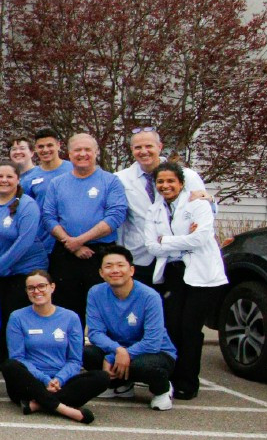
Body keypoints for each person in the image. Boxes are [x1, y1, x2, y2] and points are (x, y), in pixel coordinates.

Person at [149, 162, 227, 399]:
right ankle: (170, 378)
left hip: (202, 276)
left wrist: (168, 241)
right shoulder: (155, 211)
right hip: (173, 273)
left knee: (190, 329)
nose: (165, 186)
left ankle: (188, 382)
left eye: (171, 181)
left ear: (181, 183)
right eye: (161, 182)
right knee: (171, 326)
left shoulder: (198, 204)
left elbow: (201, 239)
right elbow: (151, 245)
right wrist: (182, 239)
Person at [42, 134, 129, 322]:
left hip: (99, 253)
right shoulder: (57, 183)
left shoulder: (110, 181)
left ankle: (101, 350)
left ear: (96, 152)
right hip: (65, 253)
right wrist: (70, 243)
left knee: (103, 311)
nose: (83, 154)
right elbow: (48, 217)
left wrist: (79, 241)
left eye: (87, 149)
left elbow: (115, 217)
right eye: (77, 150)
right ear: (69, 154)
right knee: (67, 312)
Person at [3, 270, 106, 423]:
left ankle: (37, 405)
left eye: (41, 286)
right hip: (30, 381)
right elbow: (18, 357)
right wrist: (45, 380)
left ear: (52, 287)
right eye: (31, 288)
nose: (36, 291)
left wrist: (59, 379)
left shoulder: (70, 317)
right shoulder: (17, 317)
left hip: (61, 383)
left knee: (102, 377)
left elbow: (75, 360)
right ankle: (65, 409)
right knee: (10, 366)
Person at [84, 248, 179, 409]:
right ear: (101, 272)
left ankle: (163, 390)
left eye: (120, 265)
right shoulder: (95, 293)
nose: (114, 270)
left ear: (131, 270)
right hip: (119, 349)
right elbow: (95, 333)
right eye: (108, 266)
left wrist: (114, 356)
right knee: (87, 354)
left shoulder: (149, 296)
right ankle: (120, 386)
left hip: (155, 352)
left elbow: (152, 342)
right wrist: (117, 351)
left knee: (141, 366)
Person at [118, 129, 211, 283]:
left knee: (173, 304)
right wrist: (121, 254)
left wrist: (210, 202)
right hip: (140, 256)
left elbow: (206, 208)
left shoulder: (187, 175)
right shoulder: (121, 179)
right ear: (132, 150)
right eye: (138, 147)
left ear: (160, 147)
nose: (144, 151)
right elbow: (120, 221)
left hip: (178, 256)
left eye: (149, 146)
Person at [0, 162, 46, 348]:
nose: (4, 180)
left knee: (13, 313)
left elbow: (24, 241)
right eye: (0, 176)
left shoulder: (28, 205)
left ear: (18, 179)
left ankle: (14, 355)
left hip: (22, 270)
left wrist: (0, 265)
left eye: (9, 177)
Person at [22, 129, 70, 204]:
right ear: (35, 149)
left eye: (49, 145)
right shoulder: (29, 178)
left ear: (58, 145)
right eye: (41, 146)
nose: (45, 150)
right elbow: (25, 207)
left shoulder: (73, 169)